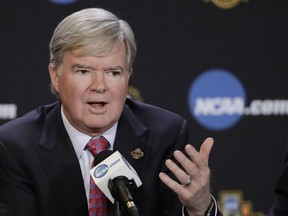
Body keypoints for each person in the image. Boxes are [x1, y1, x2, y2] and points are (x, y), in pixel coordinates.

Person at [0, 8, 221, 216]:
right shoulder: (17, 147)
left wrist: (200, 209)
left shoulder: (165, 135)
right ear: (56, 76)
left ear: (128, 77)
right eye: (84, 71)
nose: (99, 85)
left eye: (113, 72)